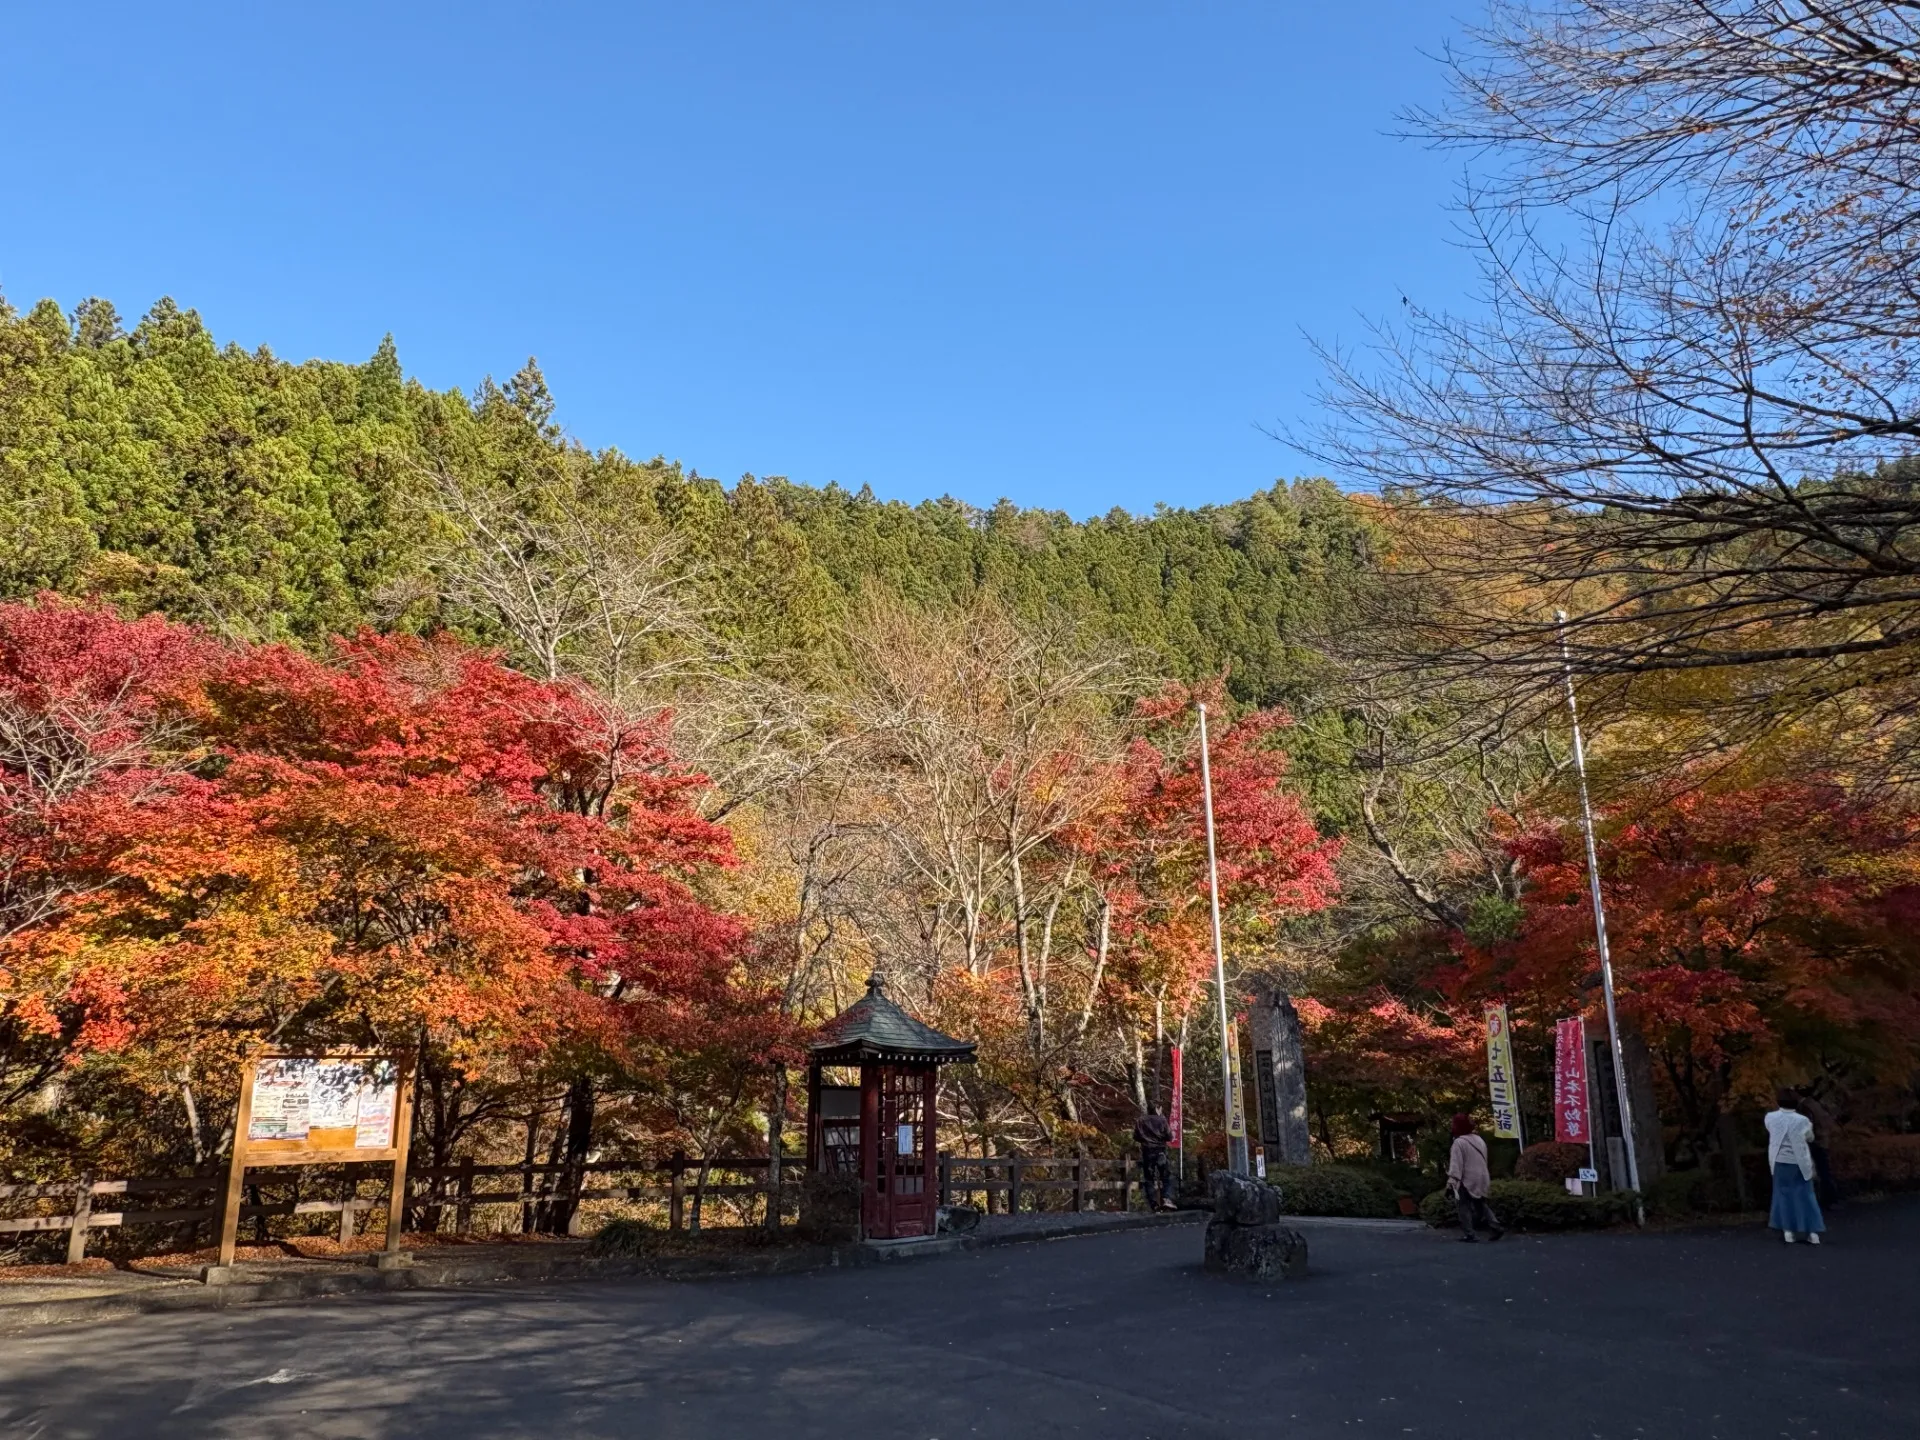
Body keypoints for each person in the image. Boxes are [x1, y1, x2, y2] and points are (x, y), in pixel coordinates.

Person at [1766, 1088, 1826, 1245]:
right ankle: (1812, 1232)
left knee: (1783, 1195)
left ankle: (1788, 1232)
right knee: (1806, 1195)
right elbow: (1810, 1137)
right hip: (1800, 1162)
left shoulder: (1770, 1118)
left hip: (1779, 1161)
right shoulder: (1803, 1121)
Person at [1446, 1112, 1505, 1242]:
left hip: (1467, 1178)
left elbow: (1456, 1165)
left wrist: (1452, 1181)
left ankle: (1470, 1234)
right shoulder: (1479, 1139)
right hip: (1482, 1176)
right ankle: (1495, 1226)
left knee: (1463, 1205)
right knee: (1480, 1203)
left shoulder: (1459, 1142)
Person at [1797, 1089, 1839, 1208]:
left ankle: (1826, 1200)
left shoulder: (1805, 1107)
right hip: (1822, 1140)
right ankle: (1831, 1199)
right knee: (1825, 1170)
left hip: (1815, 1141)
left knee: (1818, 1171)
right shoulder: (1814, 1104)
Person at [1133, 1102, 1175, 1211]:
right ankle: (1166, 1198)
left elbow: (1136, 1136)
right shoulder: (1162, 1120)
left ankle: (1153, 1204)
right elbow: (1169, 1136)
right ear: (1157, 1108)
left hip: (1147, 1151)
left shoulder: (1141, 1121)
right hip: (1160, 1151)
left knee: (1149, 1178)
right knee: (1166, 1176)